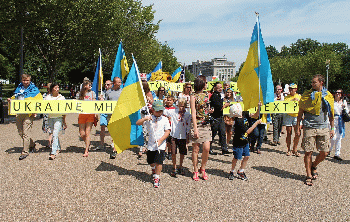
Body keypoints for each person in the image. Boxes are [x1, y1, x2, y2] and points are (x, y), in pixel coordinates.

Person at [296, 74, 334, 186]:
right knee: (308, 152)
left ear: (321, 83)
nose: (312, 84)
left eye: (314, 82)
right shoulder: (307, 95)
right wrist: (298, 126)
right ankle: (308, 175)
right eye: (312, 82)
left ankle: (313, 165)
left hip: (323, 127)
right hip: (309, 127)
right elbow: (300, 113)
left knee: (325, 152)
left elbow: (331, 114)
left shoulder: (328, 96)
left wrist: (332, 128)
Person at [136, 100, 171, 188]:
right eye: (157, 110)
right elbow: (137, 123)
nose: (159, 112)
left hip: (161, 144)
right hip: (151, 144)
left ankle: (157, 177)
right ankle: (153, 169)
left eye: (161, 111)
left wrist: (161, 140)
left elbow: (167, 131)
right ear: (153, 110)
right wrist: (144, 118)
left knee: (159, 161)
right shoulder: (149, 118)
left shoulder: (165, 119)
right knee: (150, 161)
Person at [8, 73, 43, 160]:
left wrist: (35, 111)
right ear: (21, 80)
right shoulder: (19, 88)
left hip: (29, 113)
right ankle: (32, 144)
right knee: (21, 132)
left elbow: (39, 100)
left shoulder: (34, 89)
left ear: (30, 80)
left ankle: (25, 152)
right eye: (24, 80)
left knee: (26, 132)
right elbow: (15, 97)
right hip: (20, 113)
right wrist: (11, 99)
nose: (25, 82)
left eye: (27, 80)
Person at [228, 103, 262, 180]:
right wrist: (256, 123)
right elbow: (248, 131)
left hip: (245, 141)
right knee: (236, 157)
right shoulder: (238, 122)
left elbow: (255, 115)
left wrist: (258, 108)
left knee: (247, 156)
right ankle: (232, 171)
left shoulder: (244, 113)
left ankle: (241, 171)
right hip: (238, 142)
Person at [190, 77, 212, 181]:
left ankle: (202, 168)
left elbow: (205, 109)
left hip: (206, 124)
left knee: (207, 148)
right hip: (197, 124)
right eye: (206, 82)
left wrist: (210, 111)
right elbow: (193, 113)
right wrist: (195, 129)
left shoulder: (207, 95)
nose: (207, 84)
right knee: (196, 149)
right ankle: (195, 169)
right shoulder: (193, 96)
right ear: (201, 83)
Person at [166, 98, 191, 177]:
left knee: (182, 152)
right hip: (174, 135)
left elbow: (188, 125)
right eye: (180, 106)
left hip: (183, 136)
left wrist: (188, 135)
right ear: (177, 105)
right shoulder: (173, 112)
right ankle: (174, 166)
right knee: (173, 152)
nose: (181, 108)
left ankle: (180, 166)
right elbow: (164, 111)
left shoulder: (187, 114)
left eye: (183, 106)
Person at [45, 83, 67, 160]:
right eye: (55, 88)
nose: (57, 89)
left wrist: (64, 121)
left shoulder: (62, 98)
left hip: (58, 118)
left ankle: (53, 152)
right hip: (50, 117)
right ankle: (58, 148)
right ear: (52, 89)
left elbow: (64, 110)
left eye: (58, 87)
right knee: (53, 133)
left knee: (54, 134)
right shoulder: (47, 98)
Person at [102, 77, 123, 159]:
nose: (120, 84)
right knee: (113, 131)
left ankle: (114, 149)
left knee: (117, 132)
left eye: (120, 82)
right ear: (114, 83)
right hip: (110, 115)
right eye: (119, 82)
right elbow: (105, 103)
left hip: (119, 115)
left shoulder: (122, 92)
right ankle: (116, 143)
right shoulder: (108, 92)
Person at [77, 81, 97, 157]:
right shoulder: (79, 94)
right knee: (82, 133)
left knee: (87, 132)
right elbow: (76, 103)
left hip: (90, 114)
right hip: (82, 114)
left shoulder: (92, 93)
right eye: (88, 85)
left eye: (90, 85)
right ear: (84, 85)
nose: (89, 86)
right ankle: (88, 143)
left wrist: (95, 114)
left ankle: (86, 150)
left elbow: (95, 103)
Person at [210, 82, 231, 155]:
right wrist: (225, 105)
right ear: (215, 88)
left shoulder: (220, 95)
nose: (220, 89)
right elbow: (219, 108)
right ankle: (209, 148)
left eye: (221, 87)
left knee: (222, 133)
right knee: (213, 134)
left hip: (220, 117)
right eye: (218, 87)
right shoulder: (214, 96)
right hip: (215, 118)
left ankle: (224, 149)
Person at [329, 89, 349, 161]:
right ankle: (329, 150)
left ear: (341, 94)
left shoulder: (344, 102)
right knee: (333, 137)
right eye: (336, 93)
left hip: (340, 121)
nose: (337, 94)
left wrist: (344, 107)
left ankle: (337, 153)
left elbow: (347, 111)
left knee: (339, 138)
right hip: (333, 120)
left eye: (339, 93)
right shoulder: (332, 102)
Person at [283, 83, 302, 156]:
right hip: (289, 115)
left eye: (292, 89)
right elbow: (284, 105)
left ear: (296, 89)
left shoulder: (299, 96)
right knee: (289, 133)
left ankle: (295, 149)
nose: (291, 90)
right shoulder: (286, 97)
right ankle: (288, 149)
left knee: (298, 133)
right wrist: (292, 100)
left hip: (297, 116)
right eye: (290, 88)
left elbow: (302, 105)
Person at [138, 81, 154, 159]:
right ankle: (142, 147)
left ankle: (148, 146)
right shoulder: (138, 94)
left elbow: (153, 104)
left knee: (148, 131)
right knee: (142, 131)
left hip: (147, 113)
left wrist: (149, 100)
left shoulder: (149, 94)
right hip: (141, 113)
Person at [96, 80, 113, 150]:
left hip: (110, 113)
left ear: (112, 84)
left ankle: (113, 143)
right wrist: (100, 100)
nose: (106, 86)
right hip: (103, 112)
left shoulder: (113, 93)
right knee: (102, 128)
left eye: (108, 84)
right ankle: (101, 144)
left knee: (111, 129)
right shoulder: (103, 92)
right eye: (105, 84)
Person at [163, 95, 176, 160]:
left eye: (170, 100)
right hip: (164, 127)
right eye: (168, 100)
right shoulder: (164, 108)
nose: (169, 102)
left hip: (171, 127)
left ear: (173, 101)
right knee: (164, 140)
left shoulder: (175, 109)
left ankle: (169, 152)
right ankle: (164, 152)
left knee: (170, 141)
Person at [42, 83, 53, 148]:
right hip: (46, 114)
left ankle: (50, 142)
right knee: (49, 128)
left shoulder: (56, 96)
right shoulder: (44, 95)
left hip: (53, 114)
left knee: (52, 128)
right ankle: (51, 141)